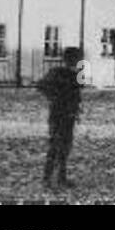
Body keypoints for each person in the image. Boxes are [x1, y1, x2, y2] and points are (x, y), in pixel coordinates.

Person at [37, 46, 83, 190]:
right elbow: (41, 86)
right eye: (77, 59)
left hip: (64, 116)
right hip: (60, 116)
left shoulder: (67, 74)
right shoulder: (63, 74)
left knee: (64, 148)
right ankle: (48, 178)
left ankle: (59, 178)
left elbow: (42, 86)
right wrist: (57, 98)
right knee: (57, 147)